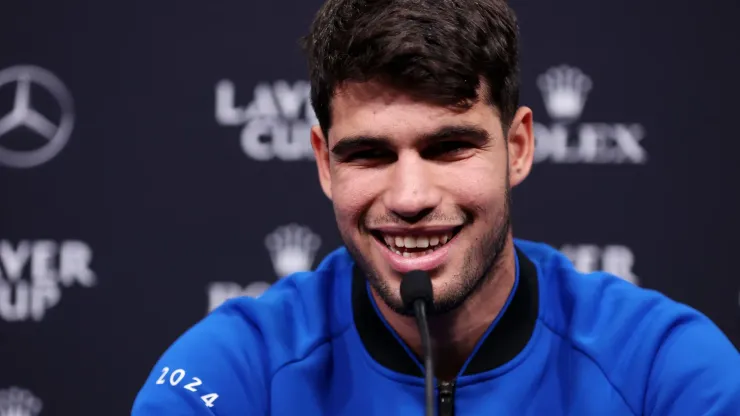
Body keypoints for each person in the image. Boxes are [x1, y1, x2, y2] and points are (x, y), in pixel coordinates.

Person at [131, 0, 740, 414]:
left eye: (449, 147)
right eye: (368, 154)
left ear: (518, 146)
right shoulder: (240, 369)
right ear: (324, 163)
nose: (410, 198)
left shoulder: (664, 366)